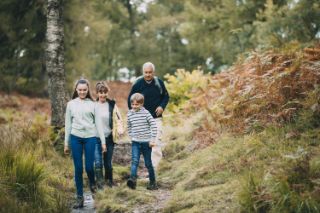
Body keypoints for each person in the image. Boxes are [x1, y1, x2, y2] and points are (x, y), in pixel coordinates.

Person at [64, 79, 106, 209]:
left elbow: (98, 124)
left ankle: (93, 185)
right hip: (75, 137)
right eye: (80, 90)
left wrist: (103, 142)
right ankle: (79, 198)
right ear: (76, 90)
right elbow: (68, 125)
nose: (82, 92)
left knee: (89, 167)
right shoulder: (70, 104)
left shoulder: (93, 104)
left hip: (90, 138)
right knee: (78, 169)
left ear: (88, 90)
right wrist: (66, 143)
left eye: (84, 90)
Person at [127, 62, 169, 169]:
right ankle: (148, 168)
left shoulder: (158, 83)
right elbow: (130, 100)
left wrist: (161, 106)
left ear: (153, 72)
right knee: (145, 146)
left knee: (155, 143)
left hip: (156, 119)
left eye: (150, 72)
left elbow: (166, 96)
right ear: (143, 72)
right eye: (146, 72)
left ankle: (154, 171)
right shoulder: (138, 84)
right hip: (142, 120)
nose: (148, 75)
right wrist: (134, 114)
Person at [94, 82, 124, 188]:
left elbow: (119, 119)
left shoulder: (112, 104)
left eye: (105, 92)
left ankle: (109, 182)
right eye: (100, 92)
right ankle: (100, 185)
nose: (103, 95)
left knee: (108, 163)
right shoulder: (93, 105)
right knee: (98, 162)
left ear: (107, 92)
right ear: (97, 93)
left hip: (109, 138)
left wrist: (120, 130)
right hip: (96, 138)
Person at [127, 93, 158, 190]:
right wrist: (132, 136)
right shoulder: (129, 114)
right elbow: (129, 126)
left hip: (146, 142)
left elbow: (153, 125)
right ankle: (132, 180)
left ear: (141, 104)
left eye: (137, 104)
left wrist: (152, 139)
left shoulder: (146, 113)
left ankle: (153, 183)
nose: (134, 106)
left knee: (148, 163)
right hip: (135, 142)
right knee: (134, 161)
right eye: (133, 104)